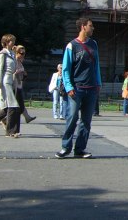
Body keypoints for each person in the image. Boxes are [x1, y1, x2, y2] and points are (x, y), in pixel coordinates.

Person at [55, 17, 101, 159]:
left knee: (86, 122)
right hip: (77, 88)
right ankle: (65, 147)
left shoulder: (94, 44)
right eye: (90, 26)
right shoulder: (72, 46)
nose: (93, 28)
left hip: (92, 88)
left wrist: (98, 82)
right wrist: (69, 87)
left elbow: (96, 65)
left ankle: (80, 149)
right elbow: (66, 69)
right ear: (83, 27)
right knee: (72, 118)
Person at [12, 45, 36, 127]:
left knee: (18, 104)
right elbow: (11, 73)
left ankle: (27, 117)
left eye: (24, 53)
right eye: (21, 53)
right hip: (14, 86)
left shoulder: (20, 61)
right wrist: (18, 72)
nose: (23, 55)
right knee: (18, 105)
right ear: (16, 52)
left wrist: (23, 73)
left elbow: (22, 75)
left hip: (18, 85)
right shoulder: (14, 61)